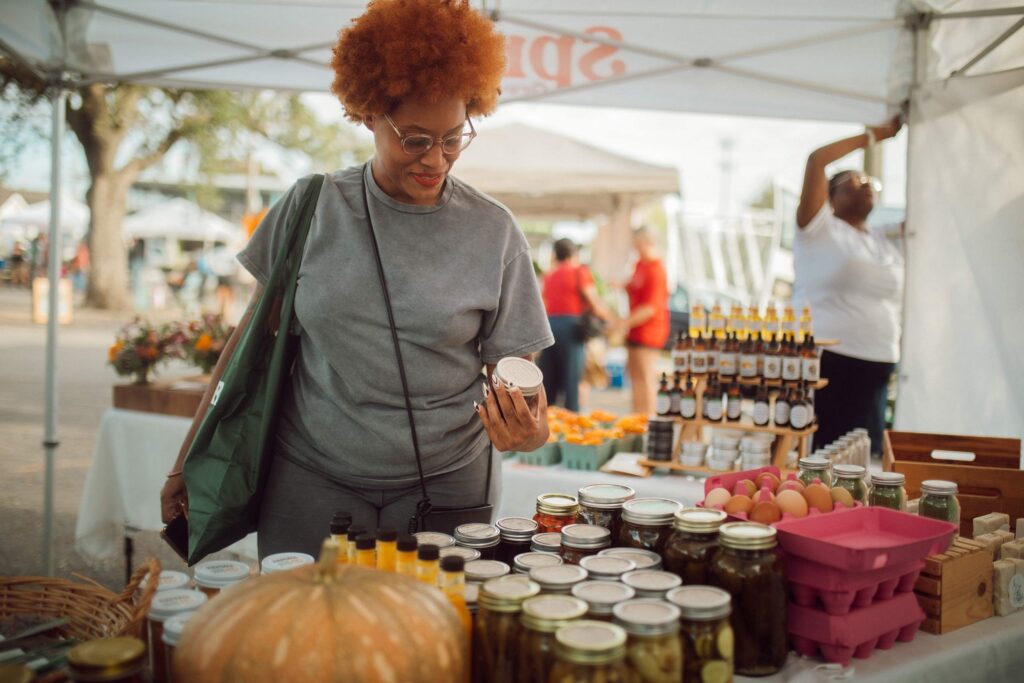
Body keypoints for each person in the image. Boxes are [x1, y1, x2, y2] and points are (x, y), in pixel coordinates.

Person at [160, 0, 554, 559]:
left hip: (447, 480)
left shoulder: (494, 231)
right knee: (305, 632)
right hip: (311, 476)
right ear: (370, 114)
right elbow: (247, 347)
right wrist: (188, 458)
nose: (436, 160)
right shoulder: (310, 208)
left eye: (453, 137)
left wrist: (530, 432)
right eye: (415, 139)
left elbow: (520, 388)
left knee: (429, 637)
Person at [794, 117, 904, 454]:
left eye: (868, 181)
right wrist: (874, 136)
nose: (864, 185)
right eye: (851, 183)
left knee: (862, 460)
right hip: (832, 362)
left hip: (878, 363)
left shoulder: (881, 240)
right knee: (822, 457)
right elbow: (817, 159)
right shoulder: (819, 228)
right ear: (830, 199)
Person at [538, 238, 614, 412]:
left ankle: (548, 426)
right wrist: (610, 321)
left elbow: (544, 304)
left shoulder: (549, 275)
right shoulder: (579, 271)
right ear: (573, 254)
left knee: (549, 381)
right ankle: (571, 426)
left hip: (549, 327)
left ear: (556, 254)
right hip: (571, 329)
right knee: (572, 382)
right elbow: (593, 301)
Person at [617, 227, 669, 415]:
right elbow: (633, 286)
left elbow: (649, 309)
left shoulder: (657, 270)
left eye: (638, 245)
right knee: (636, 379)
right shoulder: (640, 264)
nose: (635, 249)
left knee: (646, 378)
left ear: (648, 243)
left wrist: (623, 322)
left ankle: (648, 420)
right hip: (635, 330)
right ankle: (637, 419)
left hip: (649, 331)